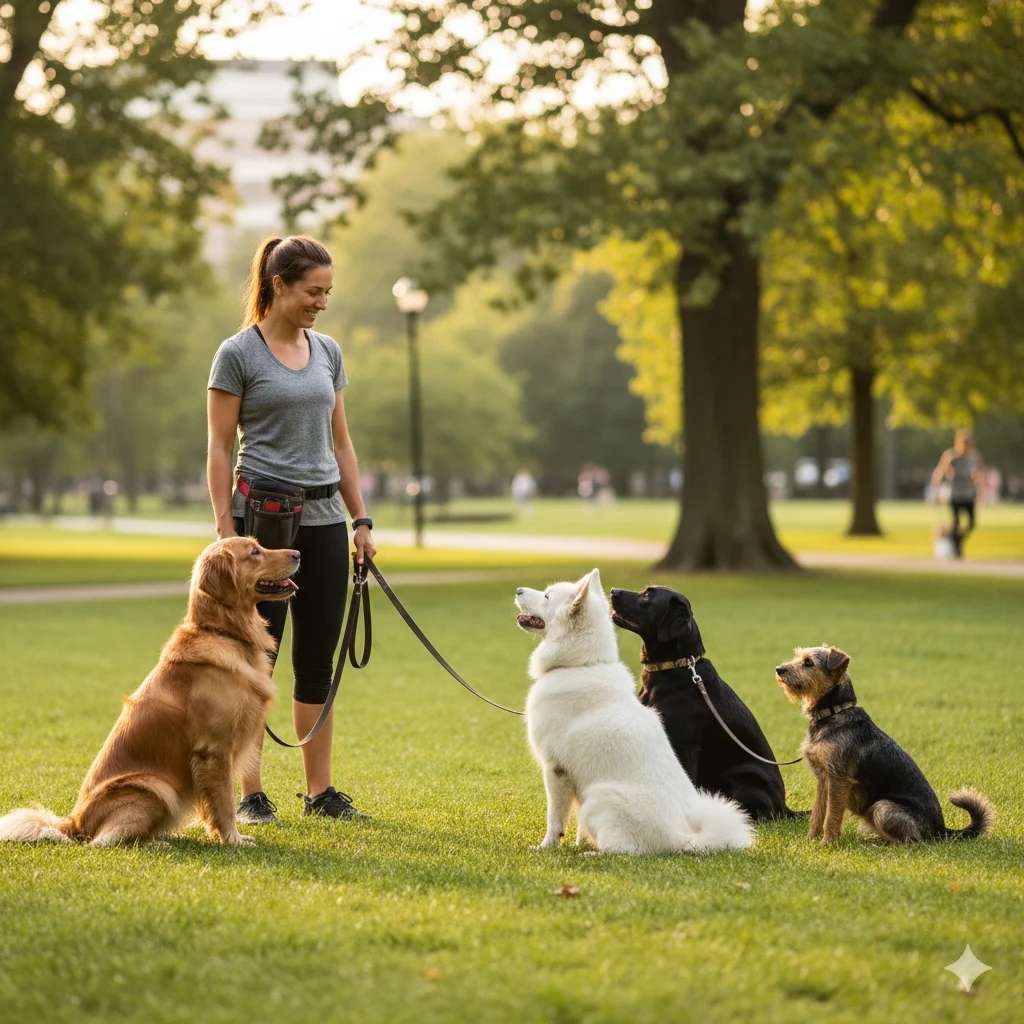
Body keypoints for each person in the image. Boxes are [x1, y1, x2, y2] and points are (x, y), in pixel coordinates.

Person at [207, 235, 376, 825]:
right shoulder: (237, 354)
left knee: (317, 659)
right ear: (279, 285)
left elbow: (342, 443)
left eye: (327, 292)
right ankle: (250, 794)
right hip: (264, 526)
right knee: (256, 658)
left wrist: (361, 520)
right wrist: (228, 533)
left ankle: (319, 791)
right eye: (312, 291)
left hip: (327, 521)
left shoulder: (327, 350)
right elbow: (220, 446)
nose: (321, 302)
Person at [930, 429, 984, 558]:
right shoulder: (951, 456)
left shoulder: (974, 457)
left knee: (972, 522)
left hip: (969, 493)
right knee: (956, 522)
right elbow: (940, 472)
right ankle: (956, 548)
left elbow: (978, 475)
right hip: (955, 494)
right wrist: (936, 489)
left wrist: (980, 492)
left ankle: (957, 540)